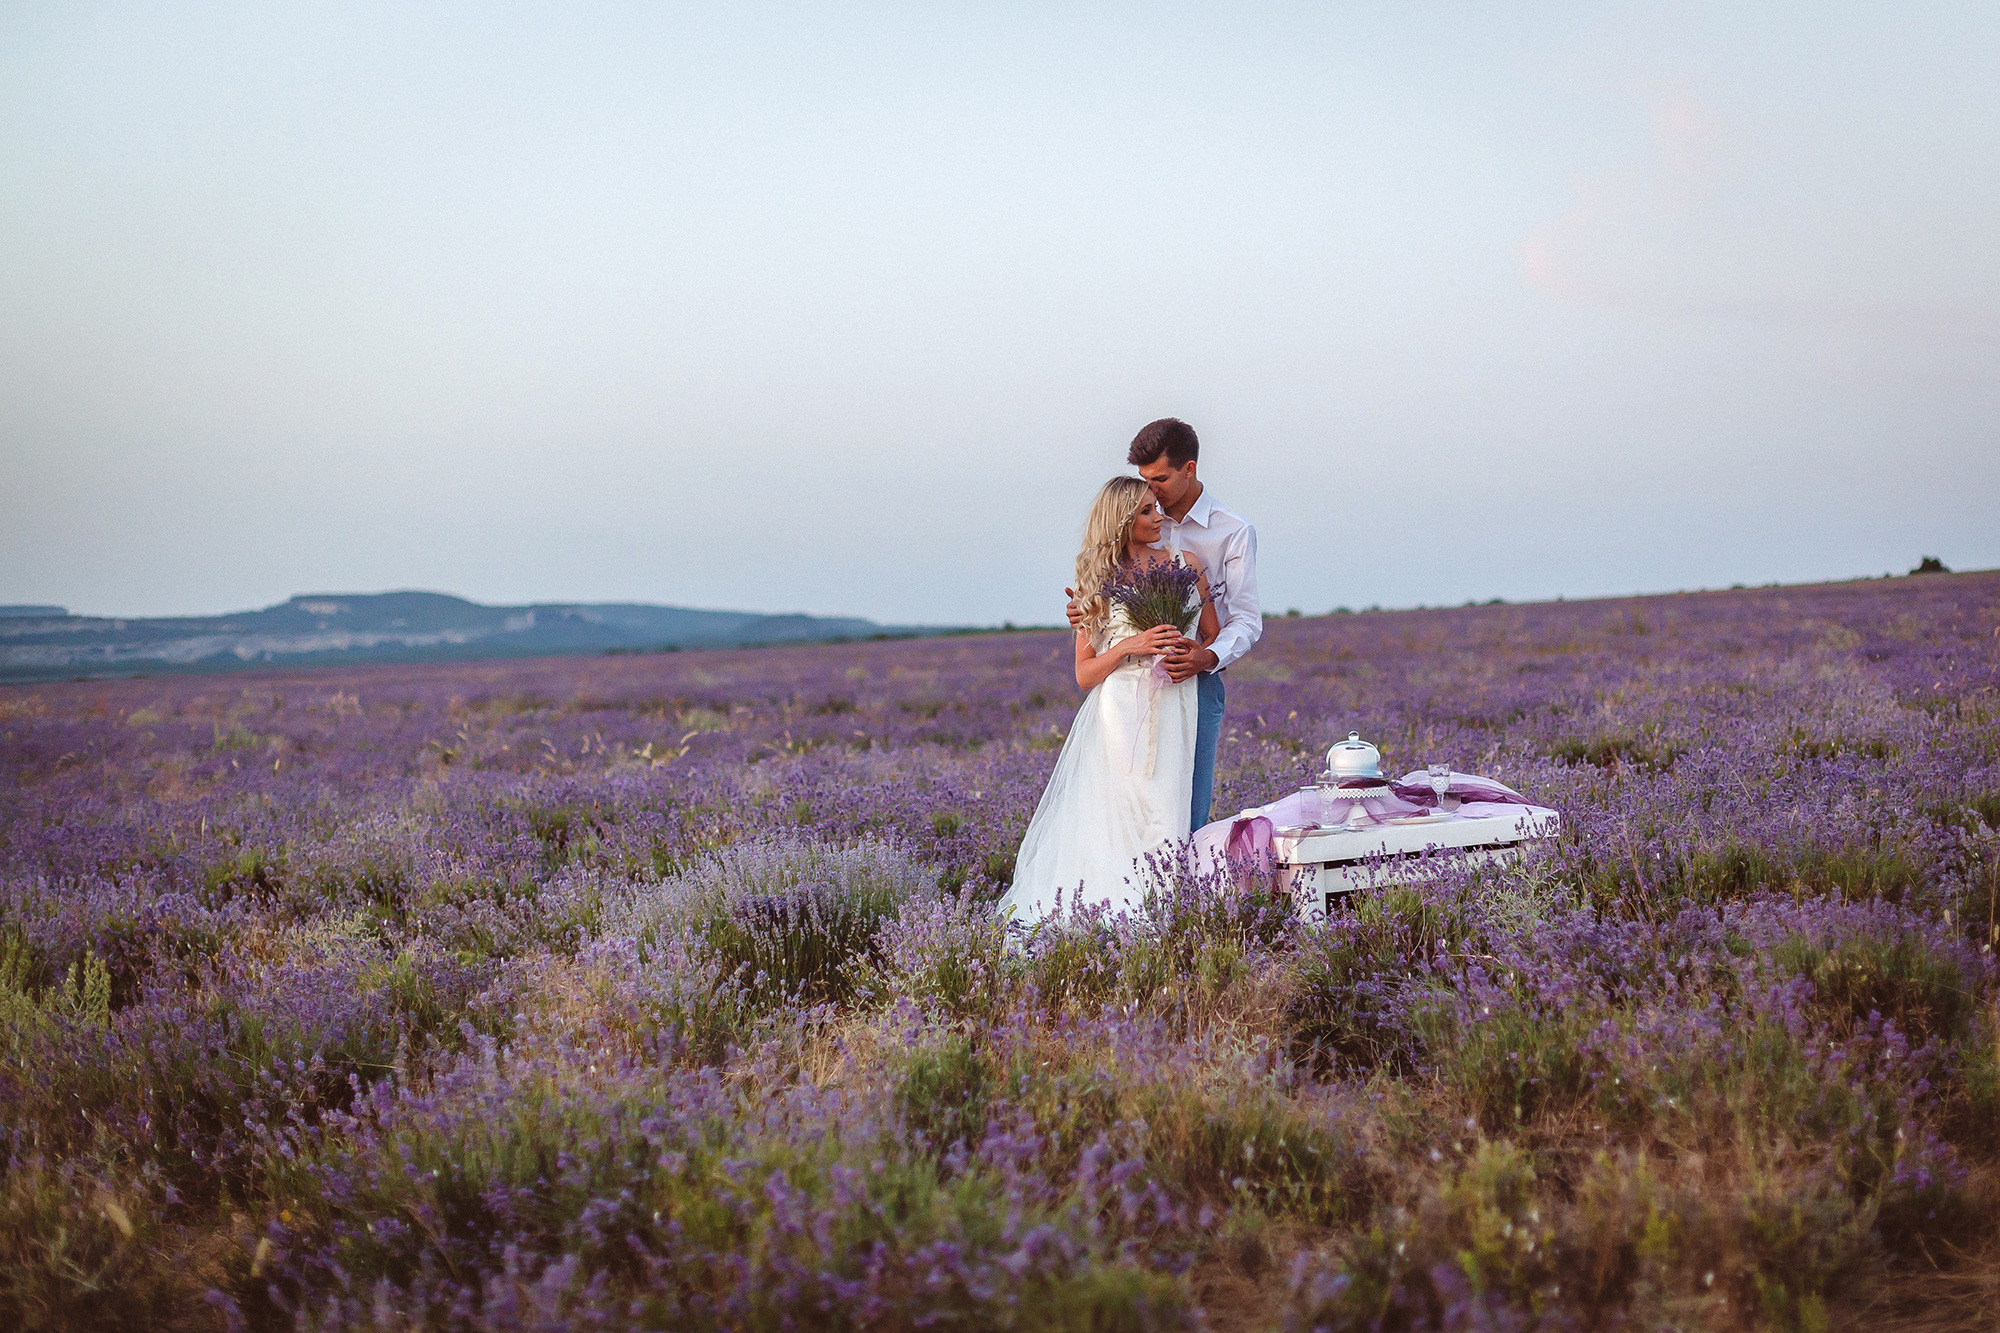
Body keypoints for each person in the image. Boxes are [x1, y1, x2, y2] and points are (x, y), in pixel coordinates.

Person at [997, 476, 1220, 924]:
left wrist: (1189, 653)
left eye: (1157, 506)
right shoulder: (1096, 581)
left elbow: (1212, 633)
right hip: (1121, 709)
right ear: (1121, 520)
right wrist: (1128, 646)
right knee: (1125, 809)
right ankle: (1120, 913)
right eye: (1146, 511)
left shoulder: (1188, 565)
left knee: (1170, 804)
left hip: (1177, 699)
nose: (1159, 517)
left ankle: (1164, 912)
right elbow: (1084, 675)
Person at [1066, 418, 1259, 830]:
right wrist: (1090, 613)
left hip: (1195, 680)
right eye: (1145, 481)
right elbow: (1103, 594)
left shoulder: (1232, 531)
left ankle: (1181, 872)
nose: (1151, 491)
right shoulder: (1139, 515)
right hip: (1125, 692)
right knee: (1123, 811)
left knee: (1187, 808)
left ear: (1189, 469)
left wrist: (1207, 656)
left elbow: (1245, 619)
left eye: (1159, 480)